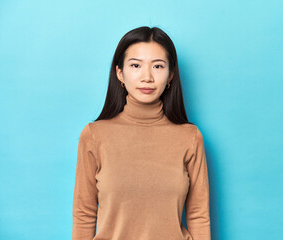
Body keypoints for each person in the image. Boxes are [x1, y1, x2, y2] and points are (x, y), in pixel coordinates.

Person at [72, 26, 211, 240]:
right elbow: (84, 213)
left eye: (158, 66)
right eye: (136, 65)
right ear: (120, 73)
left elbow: (198, 215)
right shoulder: (94, 135)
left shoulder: (190, 137)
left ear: (170, 74)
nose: (147, 77)